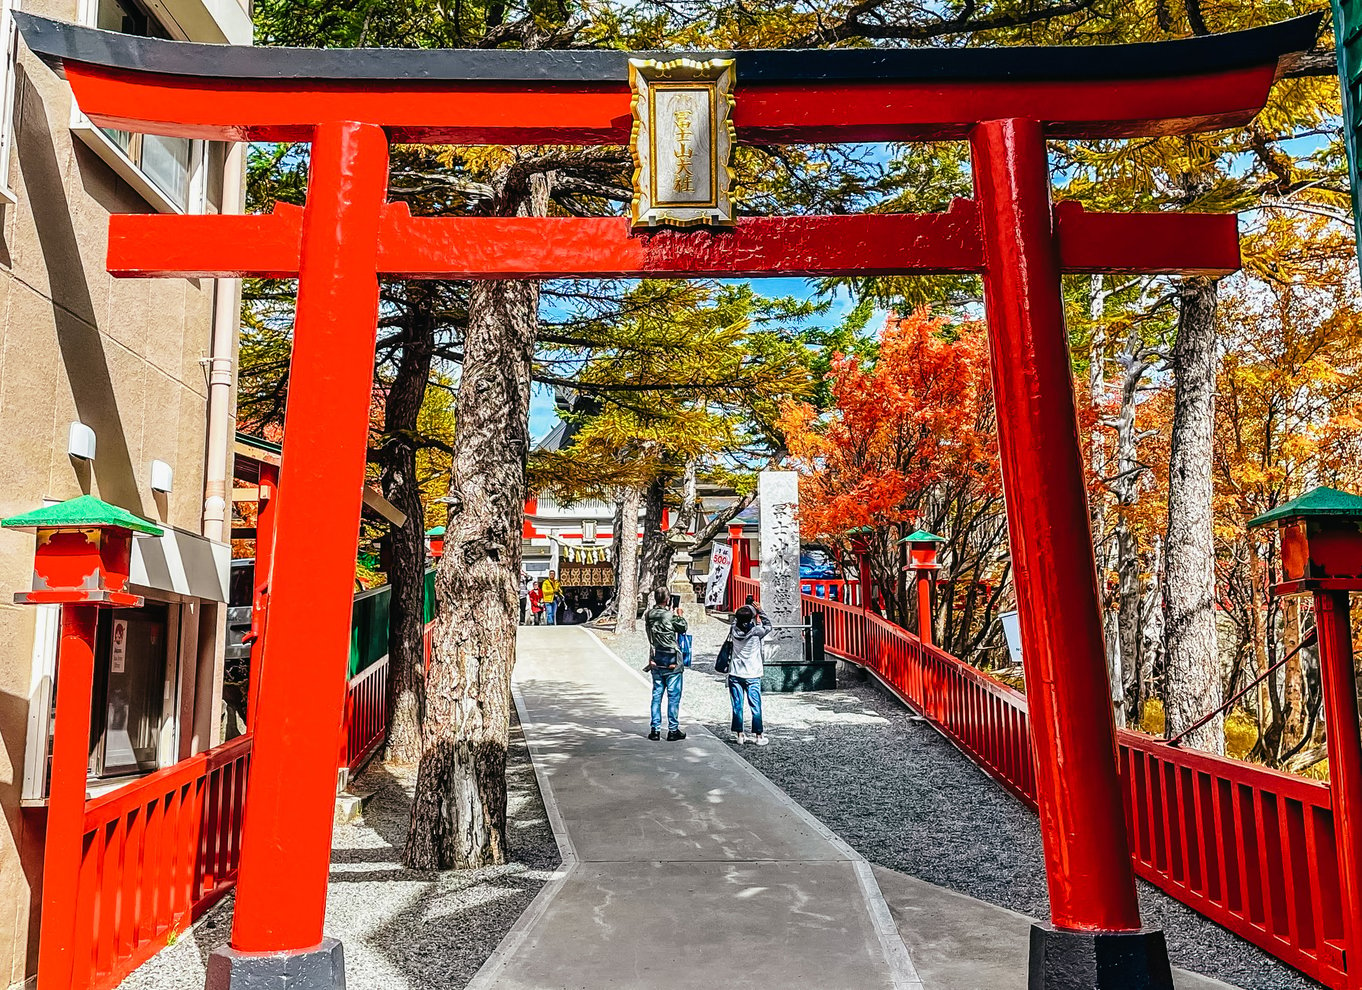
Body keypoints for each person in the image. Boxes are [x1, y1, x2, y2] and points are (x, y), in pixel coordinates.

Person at [644, 587, 688, 741]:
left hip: (656, 658)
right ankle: (673, 729)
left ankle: (655, 729)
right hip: (672, 659)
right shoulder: (670, 616)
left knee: (657, 695)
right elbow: (683, 628)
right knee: (673, 696)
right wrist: (678, 613)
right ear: (667, 599)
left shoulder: (648, 614)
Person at [727, 603, 772, 746]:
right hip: (752, 673)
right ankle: (759, 736)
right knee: (755, 705)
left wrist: (743, 609)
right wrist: (760, 610)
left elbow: (736, 620)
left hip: (735, 672)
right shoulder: (757, 631)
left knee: (737, 705)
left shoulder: (733, 629)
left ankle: (740, 735)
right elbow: (768, 625)